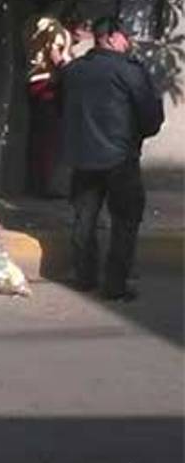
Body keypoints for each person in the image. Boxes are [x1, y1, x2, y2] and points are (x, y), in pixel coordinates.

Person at [58, 16, 163, 300]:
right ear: (113, 37)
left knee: (84, 218)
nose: (128, 43)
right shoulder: (129, 71)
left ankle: (84, 276)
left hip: (83, 157)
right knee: (125, 221)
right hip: (120, 158)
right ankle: (115, 284)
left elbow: (61, 109)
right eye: (125, 37)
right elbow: (150, 116)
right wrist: (137, 136)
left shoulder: (73, 71)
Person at [23, 0, 72, 196]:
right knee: (49, 137)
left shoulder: (30, 23)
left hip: (33, 79)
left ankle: (34, 181)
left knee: (38, 135)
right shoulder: (53, 26)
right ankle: (45, 185)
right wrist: (70, 71)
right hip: (49, 82)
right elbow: (54, 53)